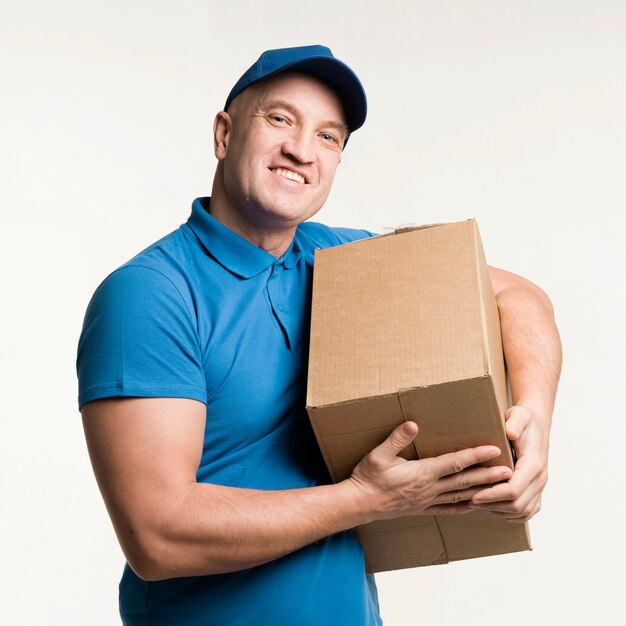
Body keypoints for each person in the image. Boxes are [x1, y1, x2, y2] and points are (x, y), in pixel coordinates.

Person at [77, 45, 562, 626]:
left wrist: (532, 419)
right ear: (224, 133)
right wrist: (365, 499)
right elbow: (157, 536)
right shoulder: (150, 294)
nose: (301, 150)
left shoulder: (340, 260)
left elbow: (519, 296)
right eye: (280, 119)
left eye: (329, 137)